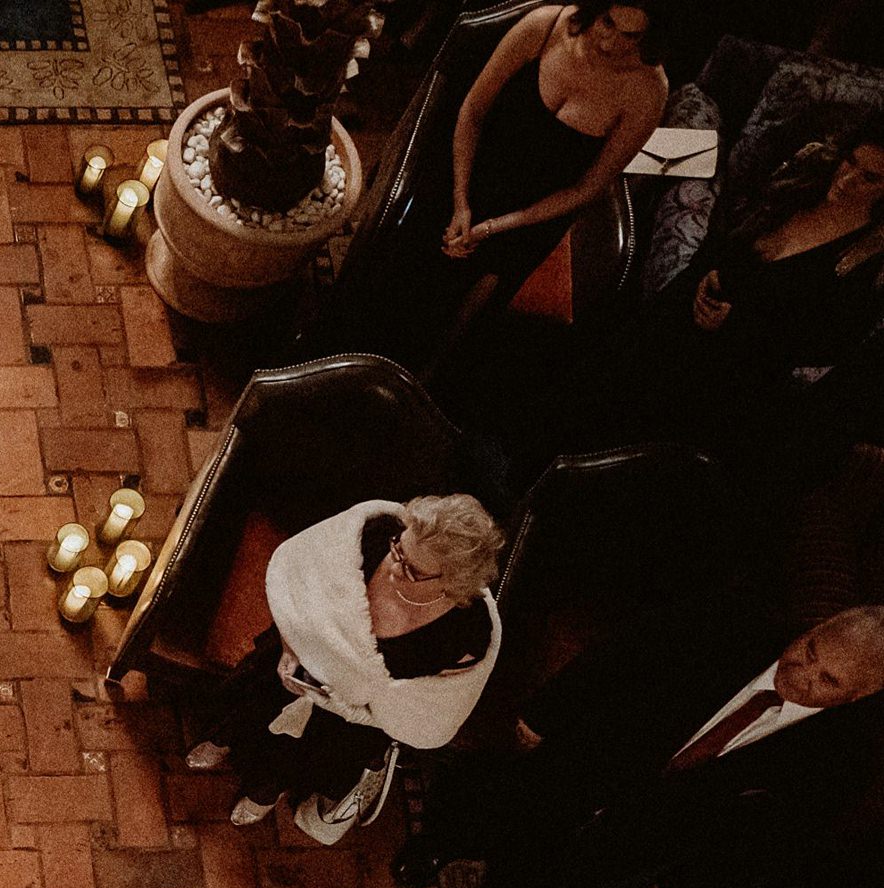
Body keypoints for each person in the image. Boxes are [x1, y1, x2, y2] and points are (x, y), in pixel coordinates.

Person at [395, 604, 884, 888]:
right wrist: (545, 713)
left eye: (827, 680)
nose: (798, 674)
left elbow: (773, 837)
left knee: (580, 861)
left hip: (661, 825)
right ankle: (443, 841)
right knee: (510, 798)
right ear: (814, 628)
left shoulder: (846, 757)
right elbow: (624, 653)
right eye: (809, 650)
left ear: (860, 694)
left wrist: (685, 887)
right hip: (597, 751)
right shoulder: (737, 622)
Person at [189, 494, 503, 845]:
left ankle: (266, 792)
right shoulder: (372, 533)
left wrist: (344, 705)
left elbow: (426, 710)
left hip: (346, 720)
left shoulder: (467, 635)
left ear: (455, 583)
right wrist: (291, 647)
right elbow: (301, 585)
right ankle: (221, 740)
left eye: (414, 571)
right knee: (248, 701)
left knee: (300, 756)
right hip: (290, 663)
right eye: (399, 549)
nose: (396, 567)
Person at [571, 120, 884, 463]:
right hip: (690, 304)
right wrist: (710, 270)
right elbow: (731, 224)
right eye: (850, 162)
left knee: (652, 406)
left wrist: (740, 323)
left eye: (869, 177)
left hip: (739, 366)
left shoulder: (869, 259)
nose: (847, 178)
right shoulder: (804, 180)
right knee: (613, 364)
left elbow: (825, 344)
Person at [416, 3, 667, 364]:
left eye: (630, 35)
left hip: (534, 212)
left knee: (472, 306)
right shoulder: (543, 26)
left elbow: (587, 189)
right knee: (417, 261)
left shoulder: (648, 90)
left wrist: (493, 227)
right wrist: (461, 201)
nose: (609, 43)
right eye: (607, 23)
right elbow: (472, 111)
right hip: (469, 171)